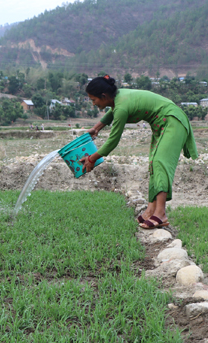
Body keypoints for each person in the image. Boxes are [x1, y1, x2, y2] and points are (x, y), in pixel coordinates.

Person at [80, 75, 197, 229]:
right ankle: (150, 210)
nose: (94, 104)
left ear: (104, 96)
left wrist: (92, 158)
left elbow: (112, 141)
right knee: (153, 164)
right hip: (162, 123)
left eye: (94, 100)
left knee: (160, 163)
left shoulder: (121, 106)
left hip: (172, 121)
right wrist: (96, 128)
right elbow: (112, 112)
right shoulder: (119, 98)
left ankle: (160, 213)